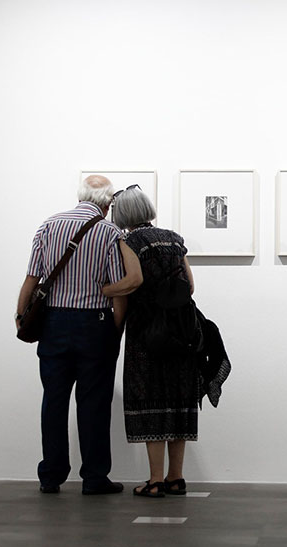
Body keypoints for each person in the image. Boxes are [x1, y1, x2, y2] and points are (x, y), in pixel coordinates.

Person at [16, 175, 141, 495]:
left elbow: (32, 279)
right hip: (94, 325)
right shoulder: (109, 232)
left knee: (53, 401)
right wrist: (114, 330)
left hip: (54, 324)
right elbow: (119, 291)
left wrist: (20, 317)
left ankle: (51, 475)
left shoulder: (49, 225)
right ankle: (94, 477)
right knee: (94, 404)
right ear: (107, 202)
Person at [102, 186, 201, 498]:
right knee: (177, 400)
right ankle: (176, 478)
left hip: (148, 332)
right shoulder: (174, 238)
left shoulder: (129, 240)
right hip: (181, 330)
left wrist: (104, 289)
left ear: (123, 214)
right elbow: (191, 286)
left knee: (150, 400)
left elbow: (134, 280)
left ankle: (155, 480)